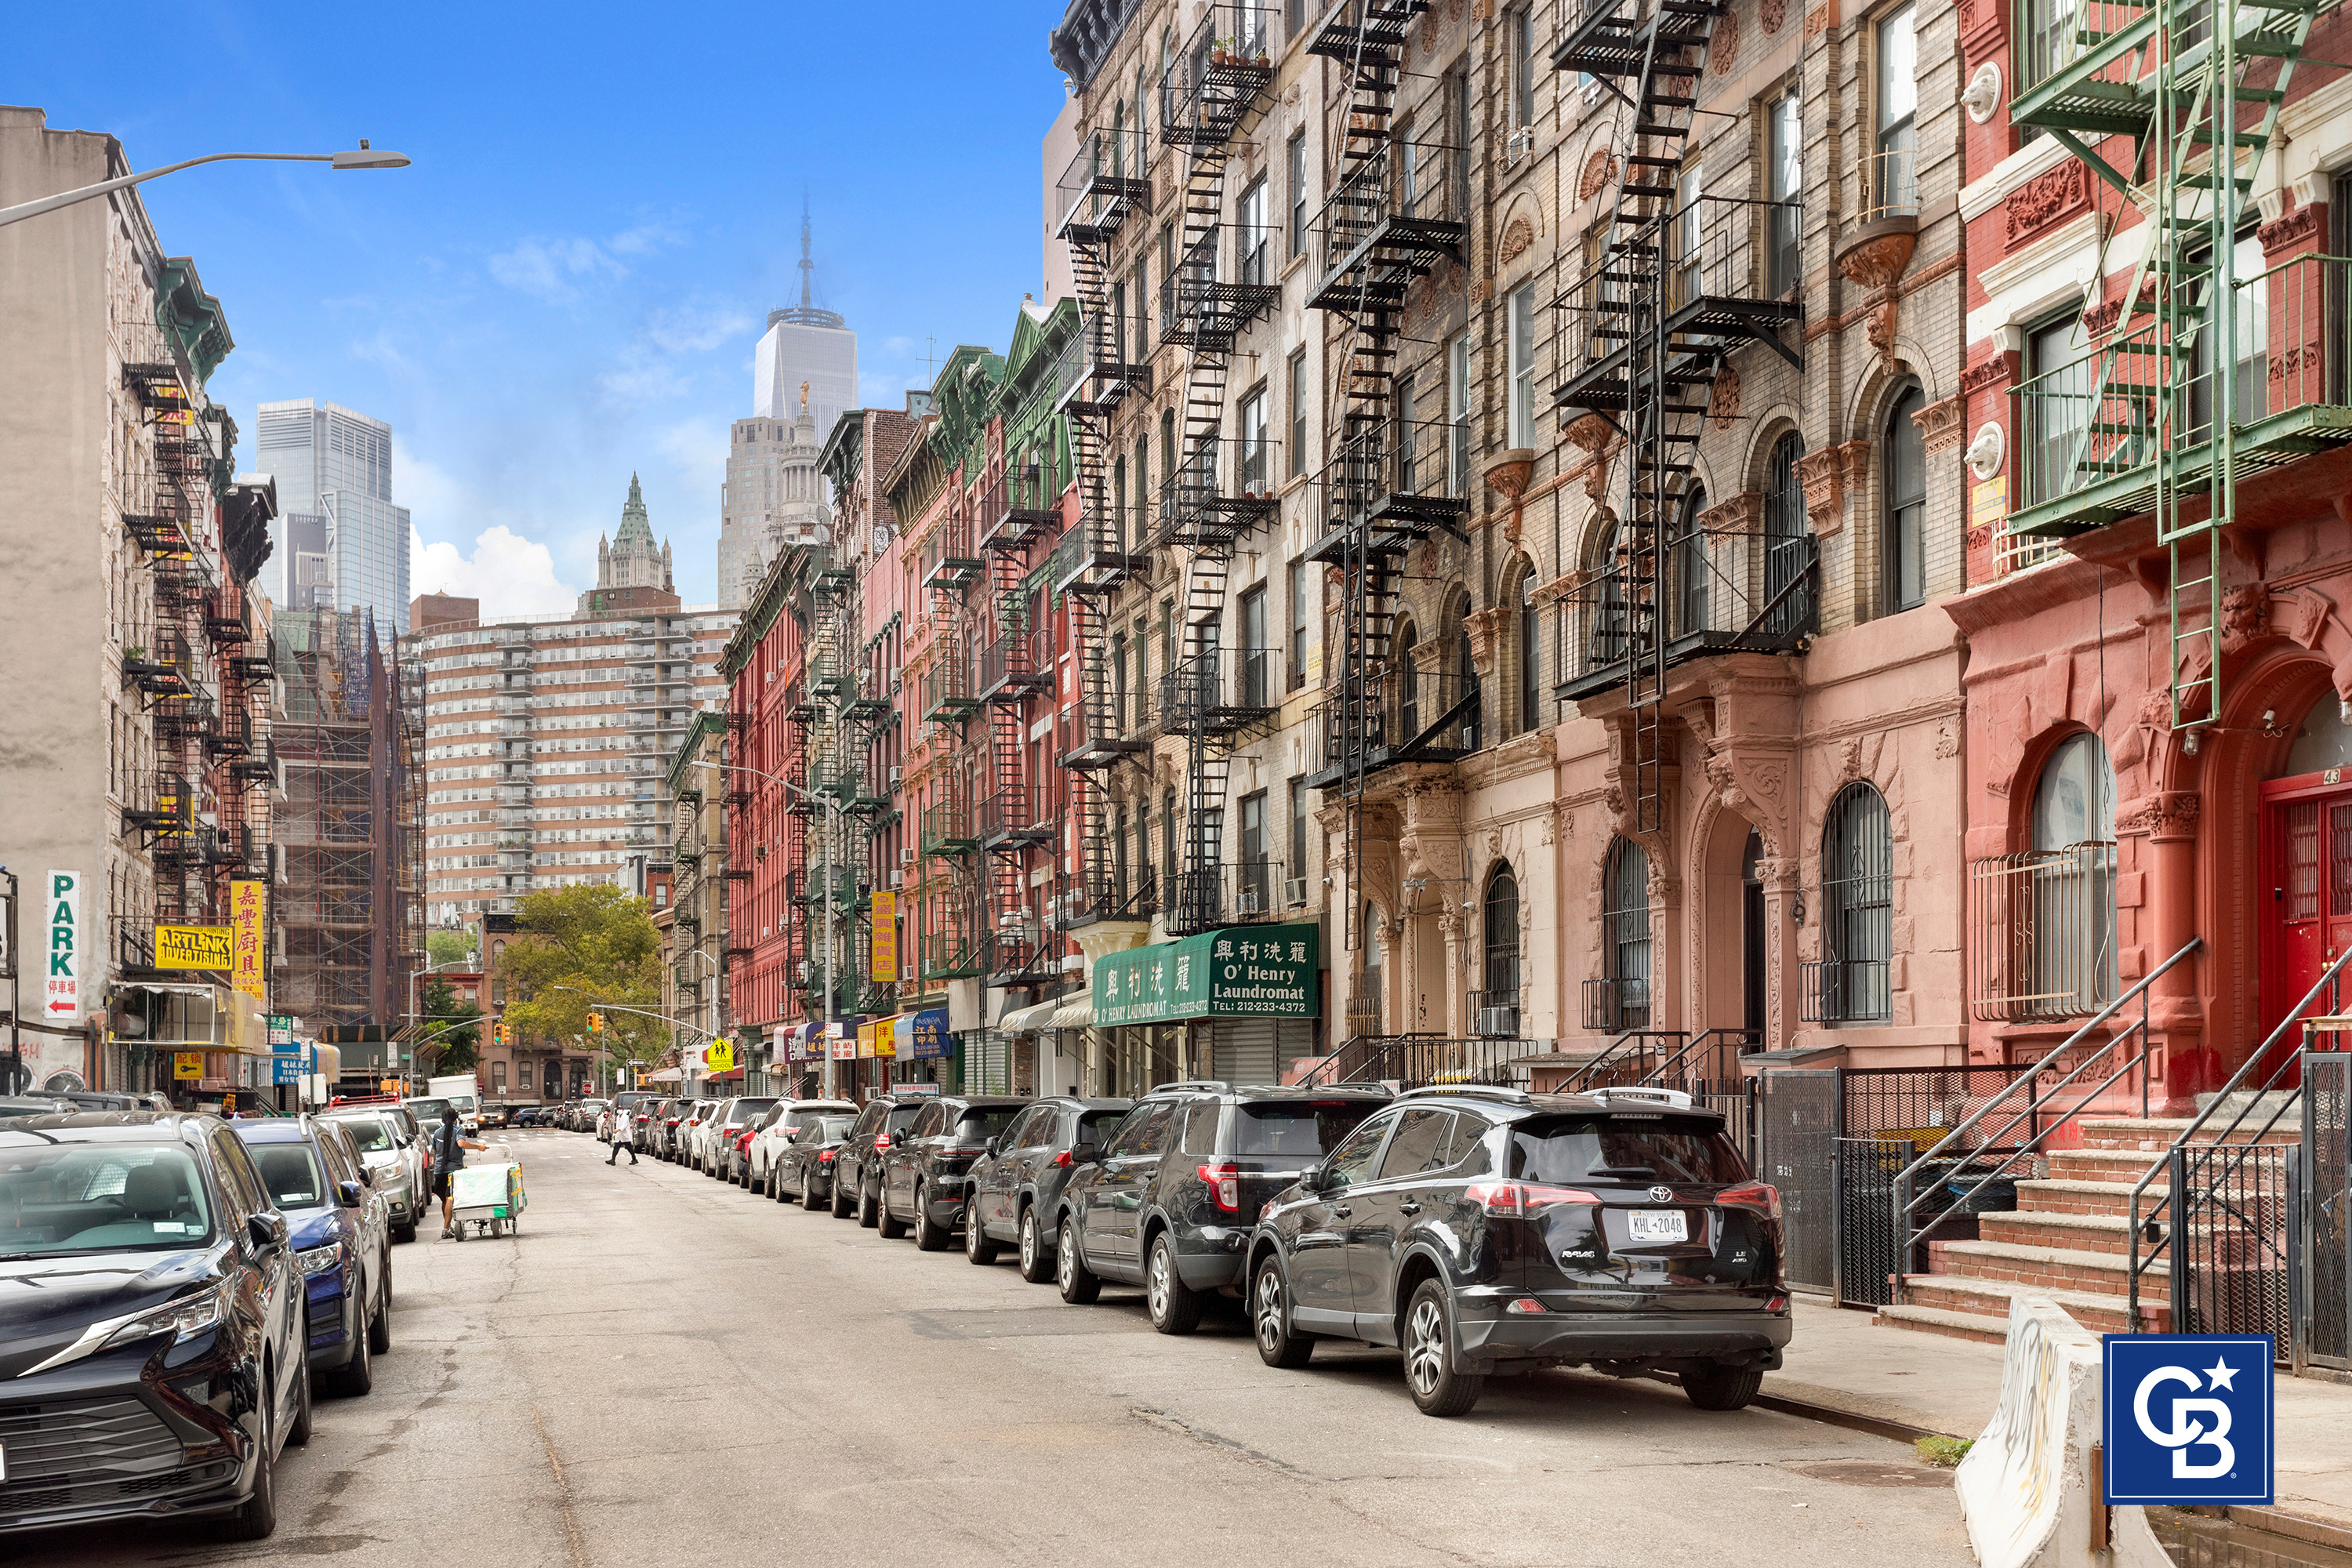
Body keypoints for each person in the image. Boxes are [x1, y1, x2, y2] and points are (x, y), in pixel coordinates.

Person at [430, 1104, 488, 1239]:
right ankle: (445, 1229)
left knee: (444, 1199)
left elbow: (435, 1151)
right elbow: (461, 1144)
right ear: (456, 1119)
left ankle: (447, 1226)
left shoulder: (437, 1132)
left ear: (443, 1120)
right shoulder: (458, 1130)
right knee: (450, 1197)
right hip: (454, 1170)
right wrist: (478, 1147)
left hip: (439, 1171)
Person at [607, 1101, 639, 1165]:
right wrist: (616, 1132)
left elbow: (624, 1126)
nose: (619, 1111)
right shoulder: (618, 1117)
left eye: (620, 1109)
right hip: (620, 1135)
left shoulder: (626, 1117)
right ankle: (613, 1160)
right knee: (616, 1147)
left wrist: (618, 1130)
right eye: (618, 1109)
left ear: (623, 1110)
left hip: (625, 1135)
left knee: (629, 1148)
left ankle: (634, 1159)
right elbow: (618, 1125)